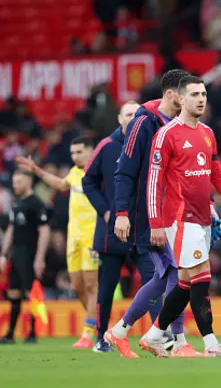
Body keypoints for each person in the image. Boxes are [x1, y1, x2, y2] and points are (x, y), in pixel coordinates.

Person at [135, 75, 221, 357]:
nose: (201, 99)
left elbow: (217, 173)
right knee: (201, 276)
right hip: (179, 218)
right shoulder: (166, 134)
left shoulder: (207, 133)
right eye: (195, 94)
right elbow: (153, 182)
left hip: (202, 218)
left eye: (204, 94)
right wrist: (156, 224)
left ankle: (153, 335)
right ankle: (211, 344)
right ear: (181, 99)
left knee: (187, 282)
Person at [104, 69, 194, 358]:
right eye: (187, 95)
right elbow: (125, 171)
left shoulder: (181, 124)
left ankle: (119, 331)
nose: (193, 101)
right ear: (171, 94)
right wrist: (121, 212)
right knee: (178, 275)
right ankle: (176, 341)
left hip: (175, 213)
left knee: (168, 276)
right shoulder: (143, 123)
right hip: (149, 215)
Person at [82, 101, 159, 353]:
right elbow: (88, 181)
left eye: (137, 113)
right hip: (111, 230)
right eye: (128, 113)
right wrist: (105, 210)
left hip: (142, 227)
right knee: (108, 285)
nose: (133, 117)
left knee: (154, 279)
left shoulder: (150, 140)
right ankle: (101, 336)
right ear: (119, 118)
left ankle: (160, 333)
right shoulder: (106, 146)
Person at [16, 137, 99, 349]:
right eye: (73, 153)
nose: (75, 156)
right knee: (78, 285)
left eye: (80, 152)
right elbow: (61, 184)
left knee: (91, 285)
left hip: (92, 235)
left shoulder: (99, 172)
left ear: (91, 151)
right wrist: (36, 170)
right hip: (74, 236)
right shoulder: (74, 172)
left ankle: (89, 331)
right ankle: (99, 323)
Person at [0, 171, 50, 344]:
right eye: (14, 182)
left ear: (28, 182)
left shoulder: (36, 204)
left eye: (19, 181)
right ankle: (10, 334)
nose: (15, 185)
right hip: (16, 253)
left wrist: (39, 257)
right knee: (13, 293)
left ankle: (33, 333)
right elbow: (11, 230)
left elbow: (44, 231)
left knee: (31, 294)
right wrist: (4, 254)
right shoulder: (17, 203)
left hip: (30, 253)